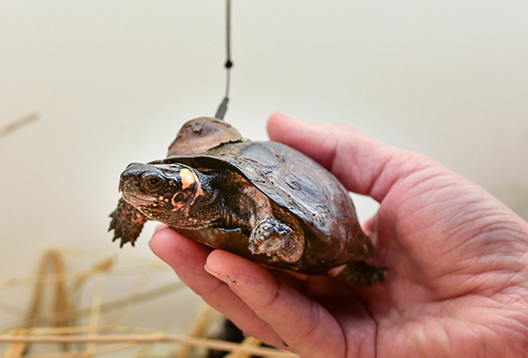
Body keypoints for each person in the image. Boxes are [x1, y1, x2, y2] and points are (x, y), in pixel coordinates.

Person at [149, 113, 528, 358]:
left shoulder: (234, 182)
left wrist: (512, 283)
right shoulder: (181, 198)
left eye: (151, 182)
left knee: (340, 267)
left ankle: (338, 261)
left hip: (305, 227)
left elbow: (253, 191)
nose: (137, 187)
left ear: (189, 185)